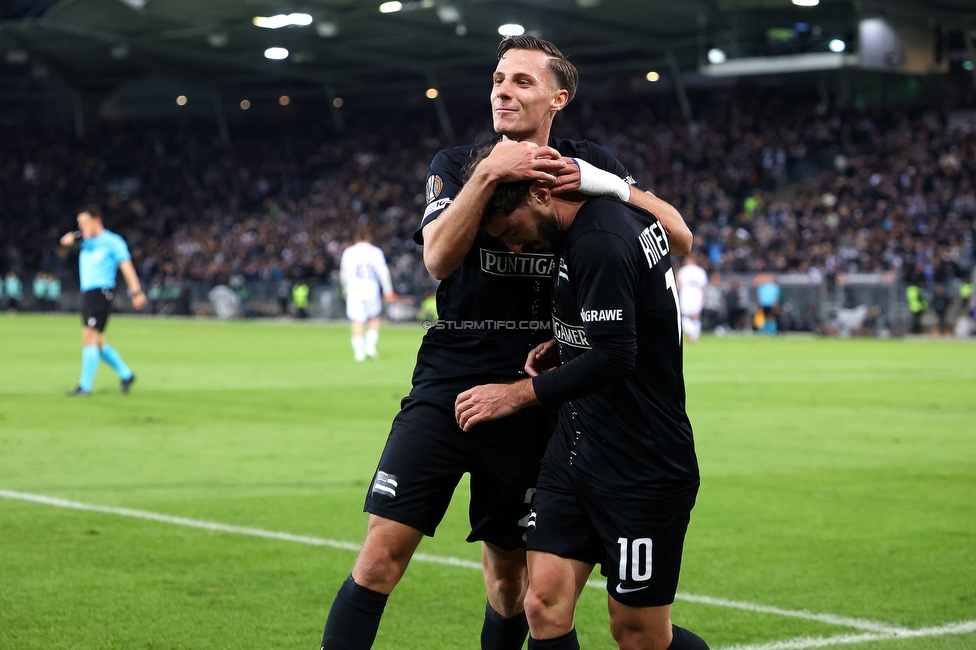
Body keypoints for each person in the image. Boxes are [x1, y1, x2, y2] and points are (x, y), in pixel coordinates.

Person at [319, 35, 692, 650]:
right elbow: (438, 259)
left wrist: (605, 183)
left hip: (536, 390)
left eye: (522, 81)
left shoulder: (585, 162)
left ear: (558, 98)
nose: (503, 91)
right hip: (449, 381)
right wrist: (492, 170)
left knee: (513, 582)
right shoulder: (456, 164)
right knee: (381, 554)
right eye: (497, 80)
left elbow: (674, 235)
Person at [453, 172, 707, 650]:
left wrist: (513, 395)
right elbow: (624, 314)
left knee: (638, 634)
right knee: (542, 604)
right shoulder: (591, 227)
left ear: (541, 194)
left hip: (641, 462)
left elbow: (615, 356)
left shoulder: (601, 237)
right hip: (575, 448)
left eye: (512, 231)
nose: (515, 248)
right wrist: (567, 340)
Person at [60, 205, 146, 396]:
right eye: (79, 223)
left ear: (97, 221)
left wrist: (136, 292)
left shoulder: (113, 242)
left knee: (89, 336)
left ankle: (85, 386)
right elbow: (65, 241)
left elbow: (127, 267)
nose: (81, 226)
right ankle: (126, 374)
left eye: (85, 222)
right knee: (97, 342)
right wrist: (78, 235)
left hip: (101, 293)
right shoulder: (85, 241)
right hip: (88, 293)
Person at [339, 227, 395, 361]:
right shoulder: (376, 252)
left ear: (356, 238)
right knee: (374, 318)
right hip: (371, 289)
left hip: (354, 290)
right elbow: (383, 272)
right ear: (369, 237)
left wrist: (345, 289)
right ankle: (370, 347)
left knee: (357, 320)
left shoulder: (349, 252)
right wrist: (388, 290)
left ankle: (359, 352)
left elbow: (344, 274)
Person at [677, 253, 708, 343]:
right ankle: (695, 333)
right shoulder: (700, 271)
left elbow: (679, 285)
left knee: (685, 316)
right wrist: (703, 298)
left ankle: (690, 332)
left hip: (685, 295)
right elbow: (703, 287)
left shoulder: (683, 270)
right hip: (697, 295)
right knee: (696, 316)